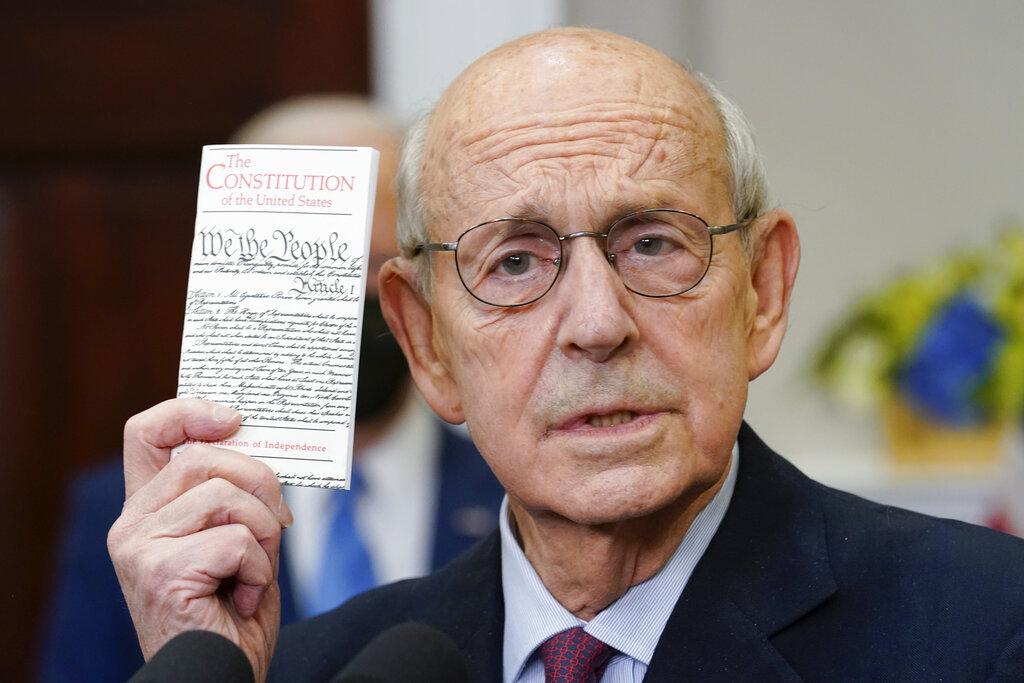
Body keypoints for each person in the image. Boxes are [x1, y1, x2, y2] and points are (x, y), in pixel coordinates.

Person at [108, 28, 1024, 682]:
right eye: (514, 261)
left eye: (653, 243)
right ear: (426, 341)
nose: (597, 322)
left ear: (764, 293)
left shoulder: (986, 630)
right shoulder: (319, 666)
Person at [40, 95, 503, 683]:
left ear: (421, 282)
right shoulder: (131, 513)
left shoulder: (515, 486)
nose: (336, 299)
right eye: (304, 266)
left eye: (371, 262)